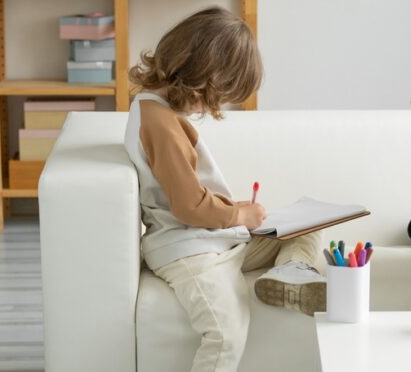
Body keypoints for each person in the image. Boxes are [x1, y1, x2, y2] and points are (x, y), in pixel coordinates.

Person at [124, 7, 326, 372]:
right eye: (218, 95)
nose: (213, 106)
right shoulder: (160, 124)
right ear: (202, 75)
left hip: (212, 237)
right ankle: (288, 271)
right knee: (225, 335)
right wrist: (237, 213)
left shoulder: (156, 110)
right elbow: (187, 207)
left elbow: (185, 194)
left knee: (306, 230)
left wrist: (234, 213)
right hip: (188, 251)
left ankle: (290, 273)